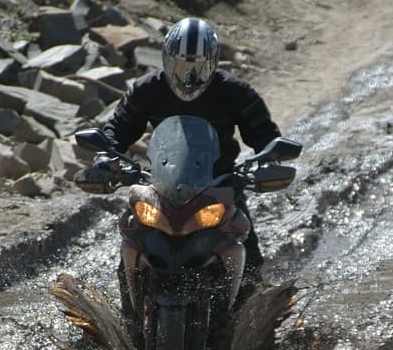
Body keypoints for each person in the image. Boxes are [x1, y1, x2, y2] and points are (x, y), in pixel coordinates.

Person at [77, 17, 282, 287]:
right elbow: (118, 129)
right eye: (182, 66)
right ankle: (129, 318)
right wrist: (106, 158)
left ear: (213, 64)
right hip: (163, 183)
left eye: (198, 68)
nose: (189, 77)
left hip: (218, 183)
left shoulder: (235, 91)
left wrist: (270, 158)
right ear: (167, 59)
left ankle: (253, 320)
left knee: (249, 255)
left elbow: (265, 135)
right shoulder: (147, 89)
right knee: (133, 242)